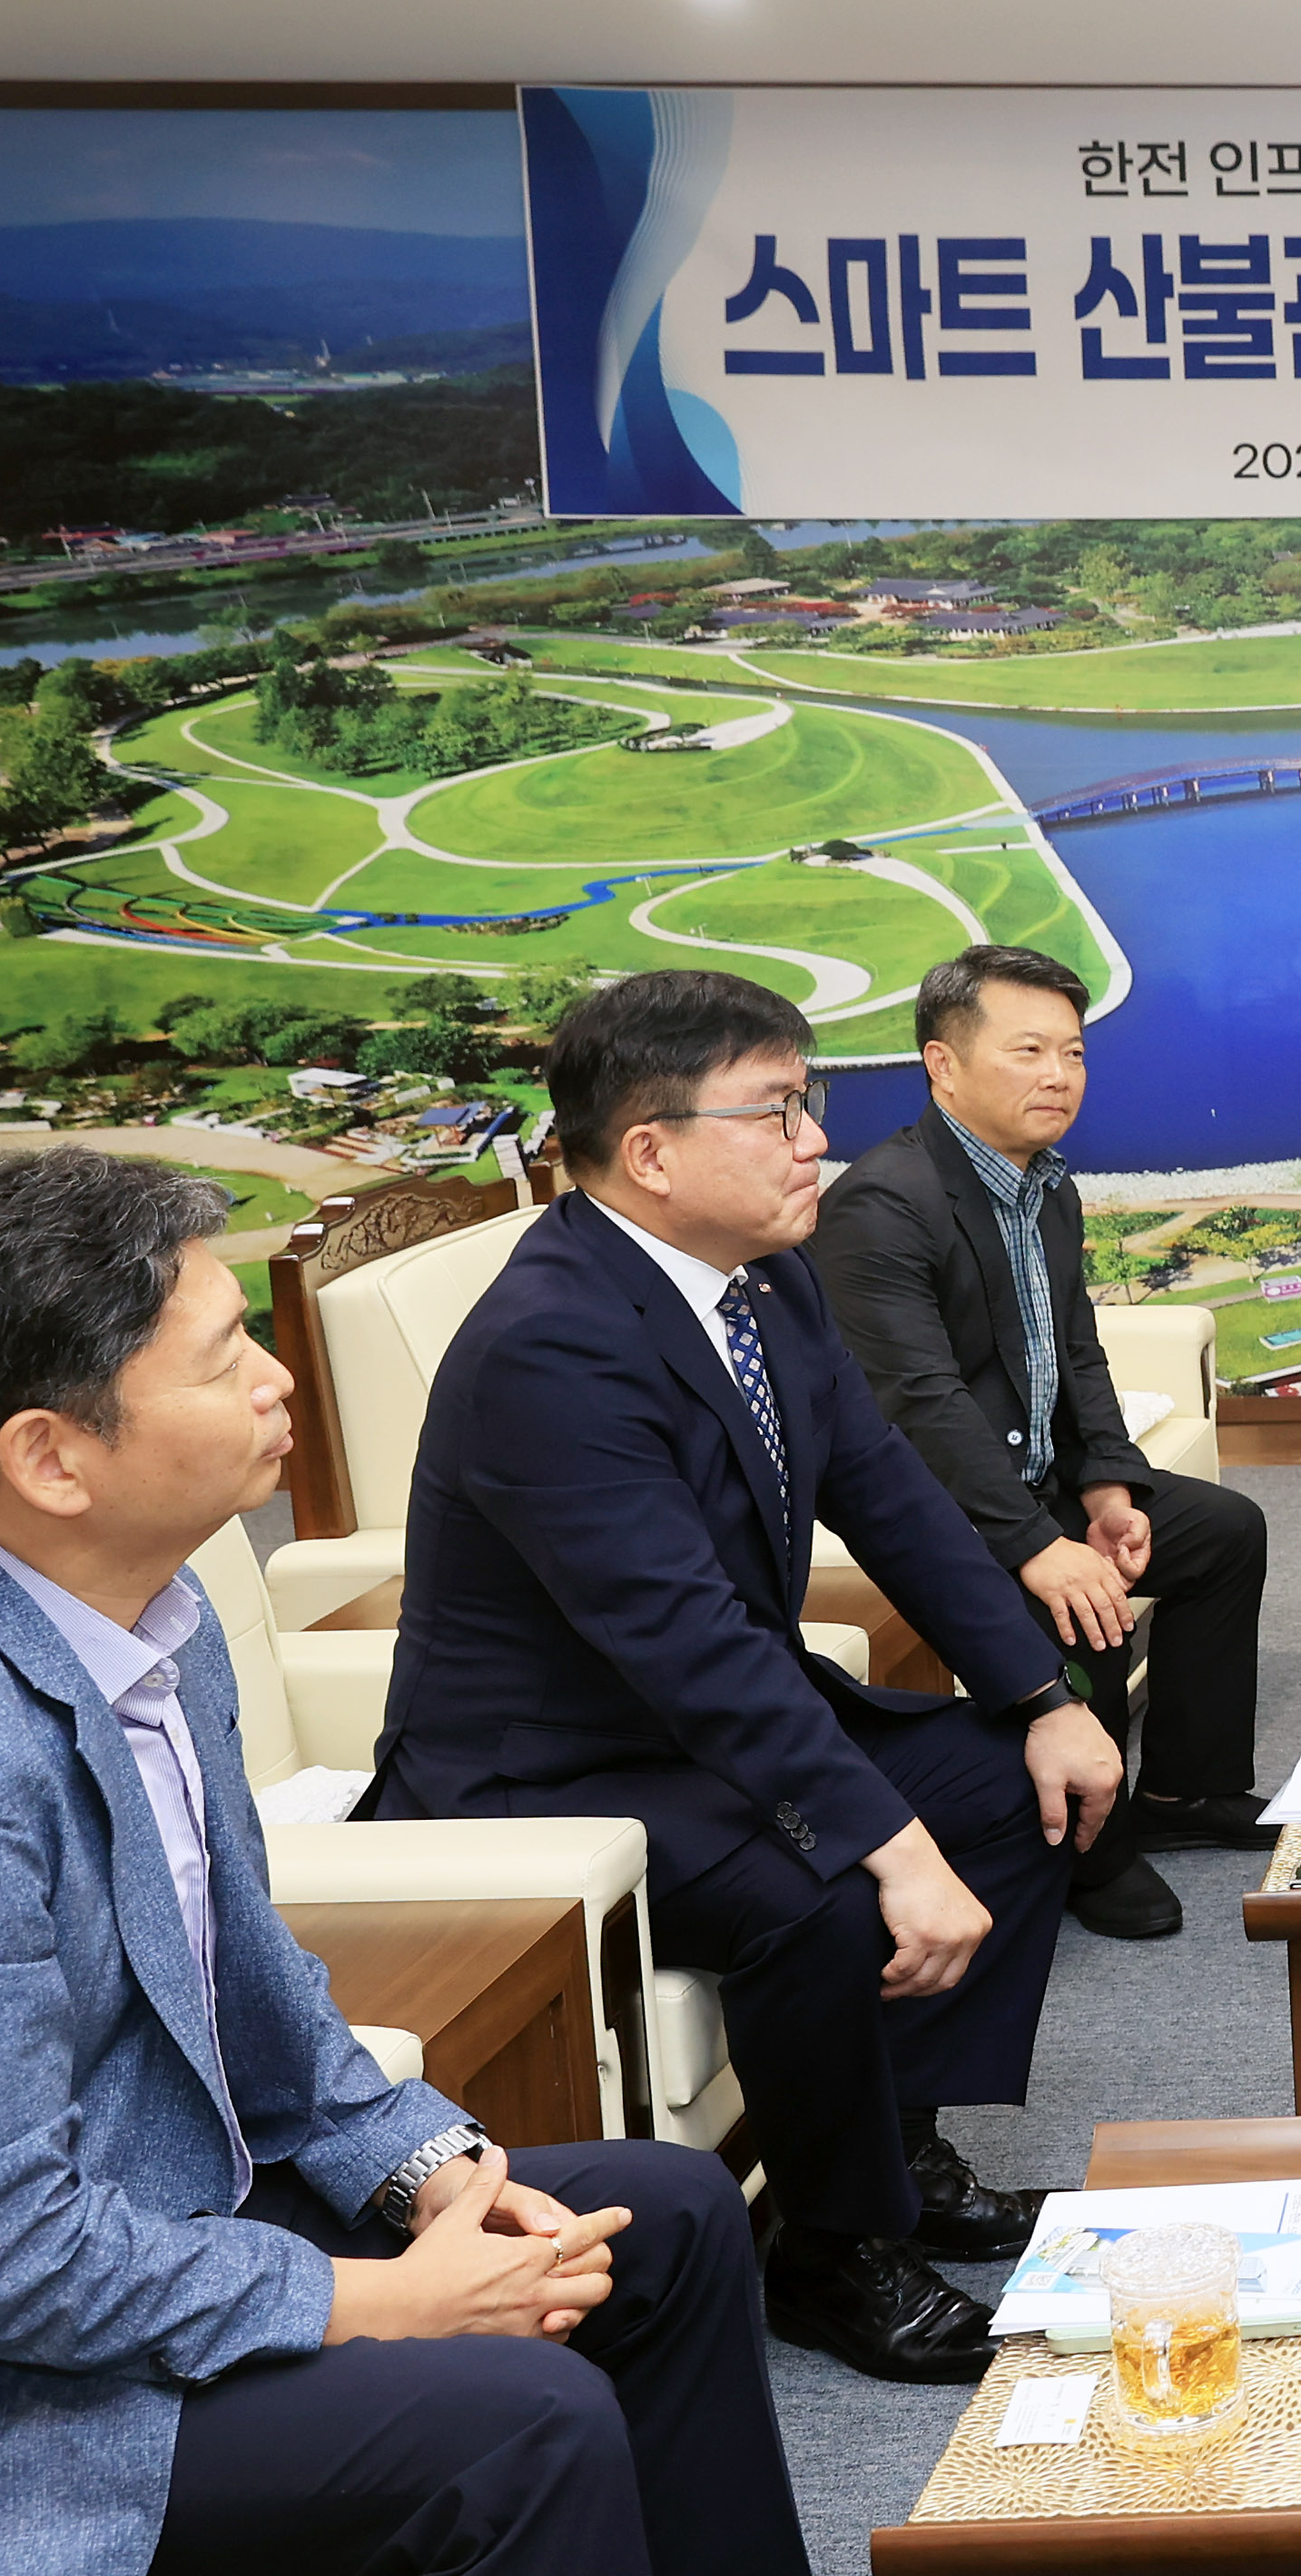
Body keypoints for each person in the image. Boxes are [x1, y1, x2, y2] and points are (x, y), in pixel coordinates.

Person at [0, 1148, 799, 2576]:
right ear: (51, 1454)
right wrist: (388, 2303)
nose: (280, 1380)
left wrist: (431, 2173)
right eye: (228, 1359)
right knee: (516, 2418)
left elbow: (248, 1982)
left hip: (154, 2211)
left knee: (663, 2216)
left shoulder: (152, 1616)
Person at [371, 968, 1119, 2386]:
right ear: (649, 1153)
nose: (814, 1144)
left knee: (1016, 1790)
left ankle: (897, 2148)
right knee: (816, 1899)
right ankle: (835, 2255)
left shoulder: (766, 1280)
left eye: (810, 1106)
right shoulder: (554, 1341)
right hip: (556, 1766)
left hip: (700, 1733)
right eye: (777, 1112)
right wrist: (886, 1848)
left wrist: (1043, 1702)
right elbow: (684, 1643)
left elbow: (894, 1498)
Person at [813, 945, 1269, 1947]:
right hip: (935, 1509)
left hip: (1033, 1482)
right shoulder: (882, 1205)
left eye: (1072, 1051)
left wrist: (1108, 1491)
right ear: (942, 1063)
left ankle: (1189, 1794)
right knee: (1083, 1612)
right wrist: (1037, 1544)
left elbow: (1076, 1350)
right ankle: (1085, 1860)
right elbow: (920, 1408)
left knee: (1223, 1532)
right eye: (1027, 1050)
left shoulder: (1044, 1187)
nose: (1058, 1074)